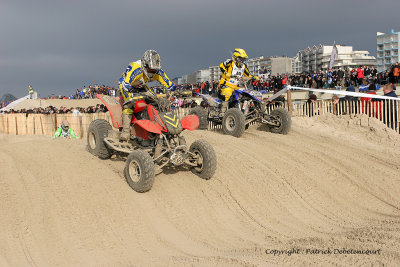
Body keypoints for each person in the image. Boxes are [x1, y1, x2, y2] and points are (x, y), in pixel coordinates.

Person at [118, 50, 176, 141]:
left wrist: (173, 88)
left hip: (141, 84)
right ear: (145, 65)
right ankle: (125, 131)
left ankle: (156, 126)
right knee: (129, 104)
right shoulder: (136, 68)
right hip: (127, 84)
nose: (153, 71)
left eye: (155, 69)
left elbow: (168, 83)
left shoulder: (157, 71)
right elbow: (126, 84)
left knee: (155, 100)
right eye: (151, 69)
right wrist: (132, 91)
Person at [218, 48, 259, 114]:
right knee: (228, 93)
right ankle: (222, 112)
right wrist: (226, 73)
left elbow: (248, 74)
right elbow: (221, 65)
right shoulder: (230, 62)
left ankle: (245, 111)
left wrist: (254, 77)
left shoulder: (243, 66)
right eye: (240, 58)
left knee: (245, 94)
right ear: (235, 57)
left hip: (236, 86)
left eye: (243, 59)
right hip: (225, 85)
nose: (242, 60)